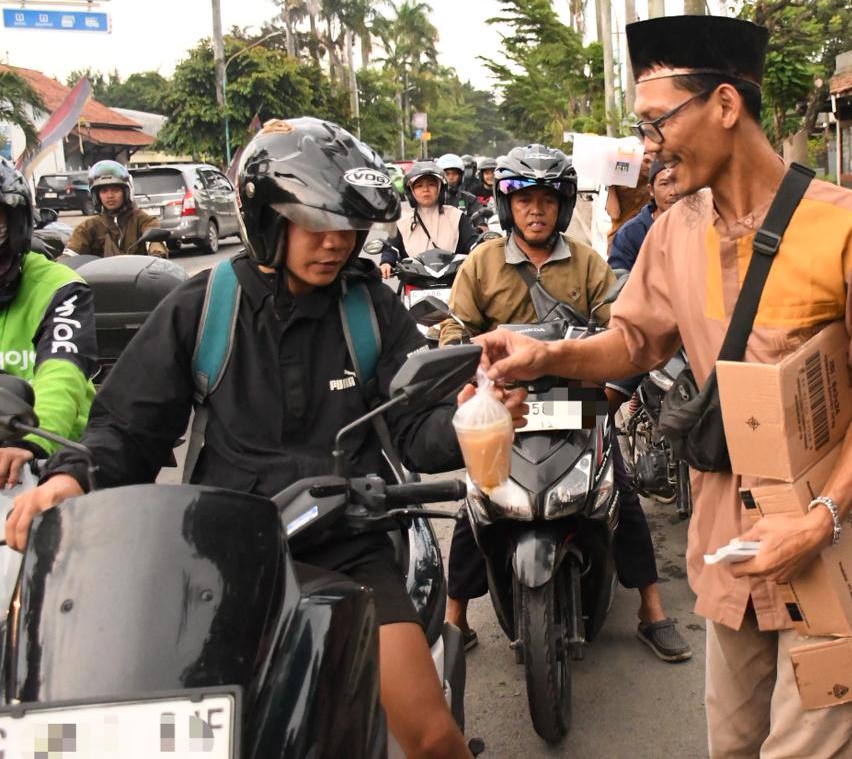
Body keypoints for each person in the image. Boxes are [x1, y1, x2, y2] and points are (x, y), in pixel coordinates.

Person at [473, 15, 852, 757]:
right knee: (730, 745)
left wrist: (822, 517)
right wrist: (541, 355)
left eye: (657, 122)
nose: (646, 146)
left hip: (828, 542)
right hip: (728, 540)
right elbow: (631, 342)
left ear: (724, 105)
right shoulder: (675, 229)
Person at [5, 118, 528, 759]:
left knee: (432, 739)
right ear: (267, 217)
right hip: (215, 553)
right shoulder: (206, 306)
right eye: (316, 224)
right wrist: (70, 478)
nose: (336, 244)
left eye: (348, 227)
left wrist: (472, 416)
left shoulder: (370, 309)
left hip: (348, 542)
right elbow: (128, 425)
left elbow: (417, 428)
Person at [437, 143, 692, 663]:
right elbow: (453, 327)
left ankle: (653, 609)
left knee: (619, 493)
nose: (537, 210)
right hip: (505, 406)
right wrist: (463, 368)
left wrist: (612, 380)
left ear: (563, 204)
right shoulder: (482, 263)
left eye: (548, 200)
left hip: (576, 398)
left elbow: (620, 321)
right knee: (475, 502)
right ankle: (453, 618)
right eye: (526, 199)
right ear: (508, 206)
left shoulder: (587, 262)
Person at [0, 159, 97, 486]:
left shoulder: (61, 288)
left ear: (15, 223)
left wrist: (29, 441)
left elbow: (62, 372)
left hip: (56, 459)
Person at [379, 160, 478, 279]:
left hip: (453, 281)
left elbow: (473, 243)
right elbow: (391, 248)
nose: (425, 189)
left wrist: (480, 254)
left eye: (431, 184)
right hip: (413, 280)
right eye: (419, 186)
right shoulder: (402, 221)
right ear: (411, 192)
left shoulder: (456, 216)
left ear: (440, 188)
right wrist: (386, 263)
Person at [65, 160, 167, 258]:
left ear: (126, 192)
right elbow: (72, 252)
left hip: (139, 274)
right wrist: (60, 262)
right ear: (96, 196)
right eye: (104, 191)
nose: (110, 195)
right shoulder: (88, 227)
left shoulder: (144, 221)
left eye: (115, 190)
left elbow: (155, 242)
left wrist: (157, 254)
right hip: (100, 275)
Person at [608, 159, 680, 272]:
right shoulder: (630, 233)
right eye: (664, 184)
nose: (673, 192)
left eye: (678, 182)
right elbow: (619, 279)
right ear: (651, 190)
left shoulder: (700, 227)